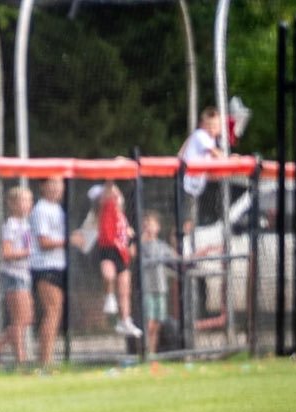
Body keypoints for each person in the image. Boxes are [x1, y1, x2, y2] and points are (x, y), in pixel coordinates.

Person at [0, 187, 34, 368]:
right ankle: (17, 358)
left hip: (24, 274)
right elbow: (6, 253)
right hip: (13, 275)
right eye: (23, 201)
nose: (27, 205)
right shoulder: (11, 225)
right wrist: (27, 253)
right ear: (12, 204)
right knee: (20, 319)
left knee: (25, 319)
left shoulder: (27, 224)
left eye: (29, 201)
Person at [29, 178, 68, 370]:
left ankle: (48, 358)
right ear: (42, 186)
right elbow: (43, 242)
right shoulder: (41, 209)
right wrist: (68, 241)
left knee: (56, 312)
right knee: (51, 312)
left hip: (59, 265)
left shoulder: (58, 209)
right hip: (45, 267)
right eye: (52, 183)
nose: (56, 188)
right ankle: (44, 361)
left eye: (59, 183)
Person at [93, 181, 141, 337]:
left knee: (125, 289)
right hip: (109, 249)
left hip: (122, 253)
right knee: (109, 275)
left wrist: (130, 240)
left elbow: (127, 238)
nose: (117, 195)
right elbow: (107, 192)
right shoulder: (107, 211)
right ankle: (109, 296)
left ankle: (125, 320)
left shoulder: (123, 217)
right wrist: (111, 182)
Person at [178, 106, 224, 235]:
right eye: (209, 125)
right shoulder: (201, 135)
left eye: (215, 125)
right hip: (186, 185)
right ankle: (183, 244)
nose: (212, 128)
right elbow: (216, 154)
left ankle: (187, 241)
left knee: (191, 220)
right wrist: (228, 158)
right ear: (202, 125)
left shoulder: (210, 140)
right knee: (186, 221)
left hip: (194, 187)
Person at [139, 211, 178, 355]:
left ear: (158, 227)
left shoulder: (162, 246)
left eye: (151, 224)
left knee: (157, 324)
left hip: (160, 288)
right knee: (148, 323)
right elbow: (133, 253)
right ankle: (144, 351)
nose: (148, 228)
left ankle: (152, 353)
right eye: (146, 225)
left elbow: (176, 257)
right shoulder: (141, 245)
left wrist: (200, 253)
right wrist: (141, 240)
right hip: (147, 289)